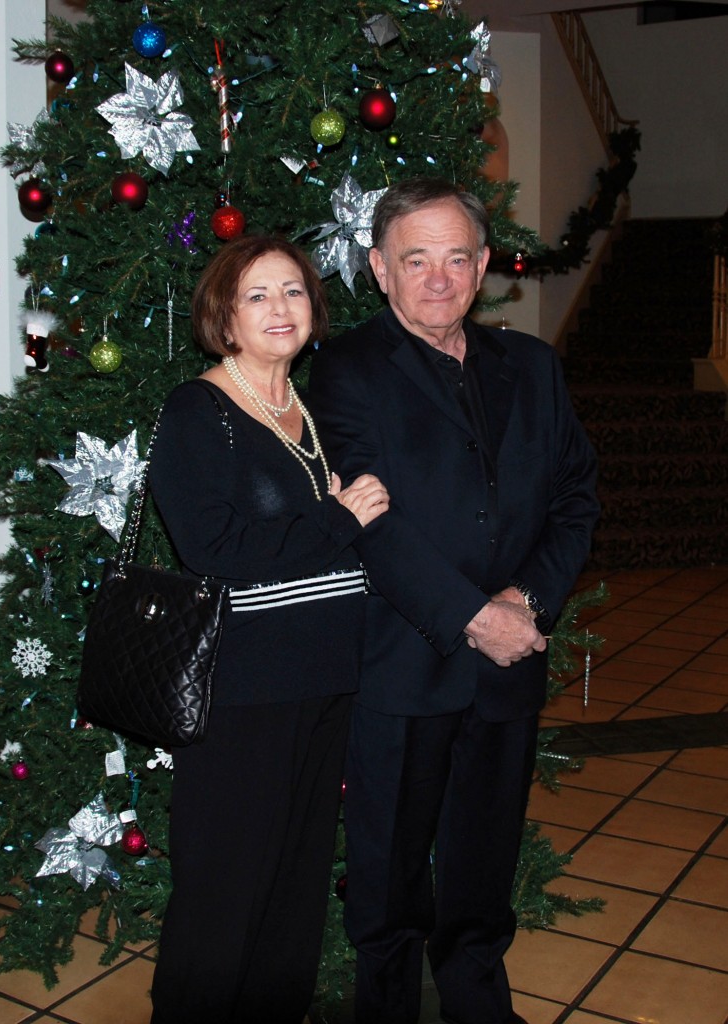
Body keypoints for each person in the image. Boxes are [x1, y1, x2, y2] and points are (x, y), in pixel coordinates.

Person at [308, 177, 599, 1024]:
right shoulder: (345, 370)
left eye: (457, 258)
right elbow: (369, 521)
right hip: (404, 663)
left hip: (506, 665)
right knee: (388, 876)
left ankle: (478, 1005)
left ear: (482, 264)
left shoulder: (532, 366)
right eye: (416, 260)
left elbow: (574, 497)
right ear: (379, 269)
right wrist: (477, 617)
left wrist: (525, 599)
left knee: (483, 862)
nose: (439, 278)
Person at [148, 234, 389, 1024]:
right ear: (223, 317)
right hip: (244, 693)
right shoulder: (199, 410)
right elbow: (213, 549)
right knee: (225, 888)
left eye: (292, 291)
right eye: (256, 295)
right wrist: (337, 519)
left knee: (294, 884)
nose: (278, 307)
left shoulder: (305, 408)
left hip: (325, 680)